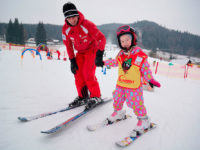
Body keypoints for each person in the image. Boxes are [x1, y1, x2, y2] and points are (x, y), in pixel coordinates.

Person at [103, 25, 161, 136]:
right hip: (121, 84)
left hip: (134, 87)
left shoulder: (139, 55)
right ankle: (118, 113)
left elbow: (145, 69)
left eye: (127, 39)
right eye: (122, 41)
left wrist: (150, 79)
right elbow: (115, 62)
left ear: (133, 39)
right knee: (117, 99)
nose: (125, 42)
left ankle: (144, 120)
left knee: (136, 103)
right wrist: (104, 63)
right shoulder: (120, 54)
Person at [62, 2, 106, 109]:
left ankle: (96, 96)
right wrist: (72, 61)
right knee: (77, 73)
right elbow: (68, 46)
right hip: (80, 53)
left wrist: (99, 55)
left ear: (77, 14)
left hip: (92, 50)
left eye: (74, 16)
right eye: (69, 18)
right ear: (66, 19)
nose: (72, 20)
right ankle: (83, 96)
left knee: (88, 73)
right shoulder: (65, 30)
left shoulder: (87, 25)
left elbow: (101, 38)